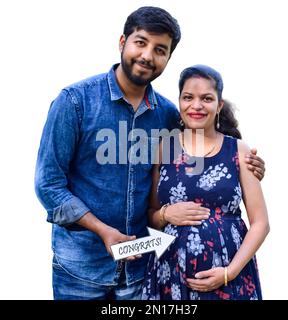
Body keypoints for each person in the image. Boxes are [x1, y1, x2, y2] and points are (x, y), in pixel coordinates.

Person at [35, 6, 265, 300]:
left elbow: (201, 156)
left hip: (143, 270)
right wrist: (102, 230)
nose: (147, 56)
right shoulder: (76, 103)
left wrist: (248, 168)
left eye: (160, 49)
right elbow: (48, 184)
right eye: (140, 42)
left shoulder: (168, 115)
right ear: (122, 43)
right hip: (81, 268)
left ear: (168, 58)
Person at [141, 65, 270, 300]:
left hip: (231, 276)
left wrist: (228, 273)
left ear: (219, 105)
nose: (196, 105)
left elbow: (261, 223)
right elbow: (150, 214)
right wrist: (166, 214)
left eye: (206, 98)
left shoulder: (238, 150)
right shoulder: (164, 148)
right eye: (188, 97)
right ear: (179, 102)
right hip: (171, 275)